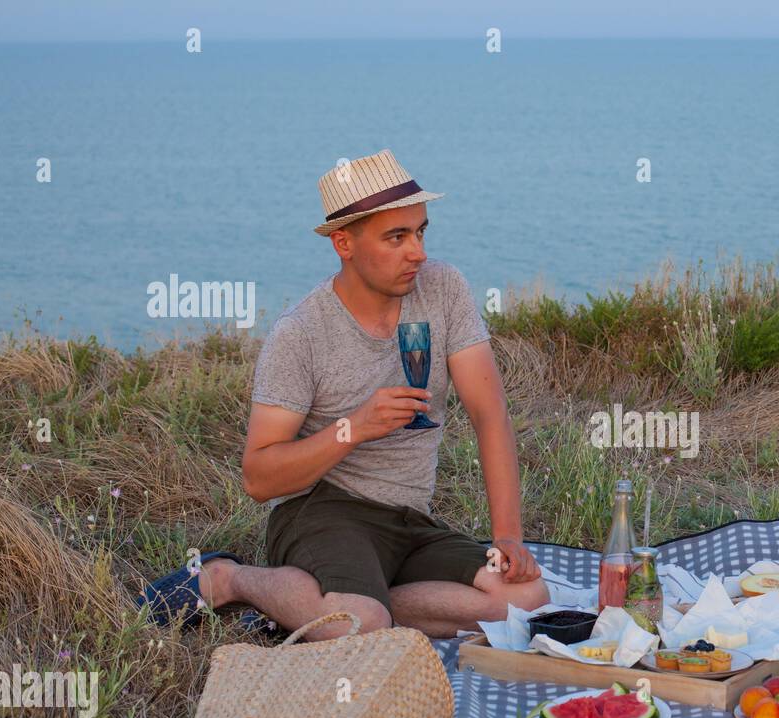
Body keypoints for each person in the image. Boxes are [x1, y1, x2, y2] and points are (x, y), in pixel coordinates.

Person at [138, 149, 549, 640]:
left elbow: (490, 414)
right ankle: (231, 579)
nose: (416, 252)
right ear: (343, 243)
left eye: (420, 232)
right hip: (324, 513)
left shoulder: (443, 288)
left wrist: (507, 536)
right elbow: (258, 477)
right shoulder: (301, 333)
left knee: (527, 601)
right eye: (396, 237)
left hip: (410, 520)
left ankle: (321, 607)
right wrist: (354, 428)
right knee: (360, 625)